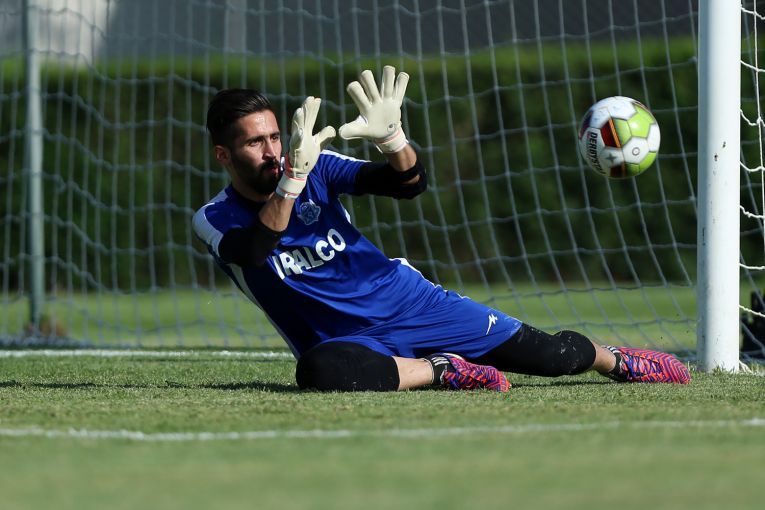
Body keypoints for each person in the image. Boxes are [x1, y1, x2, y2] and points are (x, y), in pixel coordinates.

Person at [192, 66, 690, 392]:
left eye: (275, 137)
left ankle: (614, 360)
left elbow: (407, 184)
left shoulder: (315, 166)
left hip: (412, 304)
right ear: (223, 155)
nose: (273, 152)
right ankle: (442, 369)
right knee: (318, 372)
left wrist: (393, 140)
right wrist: (292, 183)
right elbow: (255, 250)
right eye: (256, 143)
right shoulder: (215, 217)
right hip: (346, 342)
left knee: (553, 357)